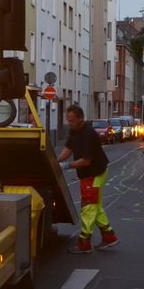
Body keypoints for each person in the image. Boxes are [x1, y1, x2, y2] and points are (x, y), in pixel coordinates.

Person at [57, 104, 119, 253]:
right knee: (96, 208)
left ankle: (84, 243)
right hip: (89, 174)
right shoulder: (75, 131)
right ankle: (110, 237)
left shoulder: (89, 135)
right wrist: (56, 160)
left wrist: (65, 166)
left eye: (72, 120)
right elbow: (68, 148)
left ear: (81, 119)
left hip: (94, 173)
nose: (69, 123)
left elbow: (86, 161)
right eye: (68, 120)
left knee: (88, 208)